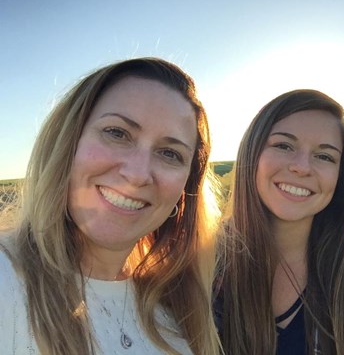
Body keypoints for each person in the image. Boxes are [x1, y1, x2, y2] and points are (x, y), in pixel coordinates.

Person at [0, 57, 221, 355]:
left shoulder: (176, 309)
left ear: (184, 191)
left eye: (170, 153)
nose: (138, 174)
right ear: (66, 142)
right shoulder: (7, 281)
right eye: (117, 133)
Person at [214, 89, 344, 354]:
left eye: (324, 156)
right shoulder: (202, 267)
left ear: (339, 177)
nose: (302, 167)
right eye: (283, 145)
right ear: (252, 154)